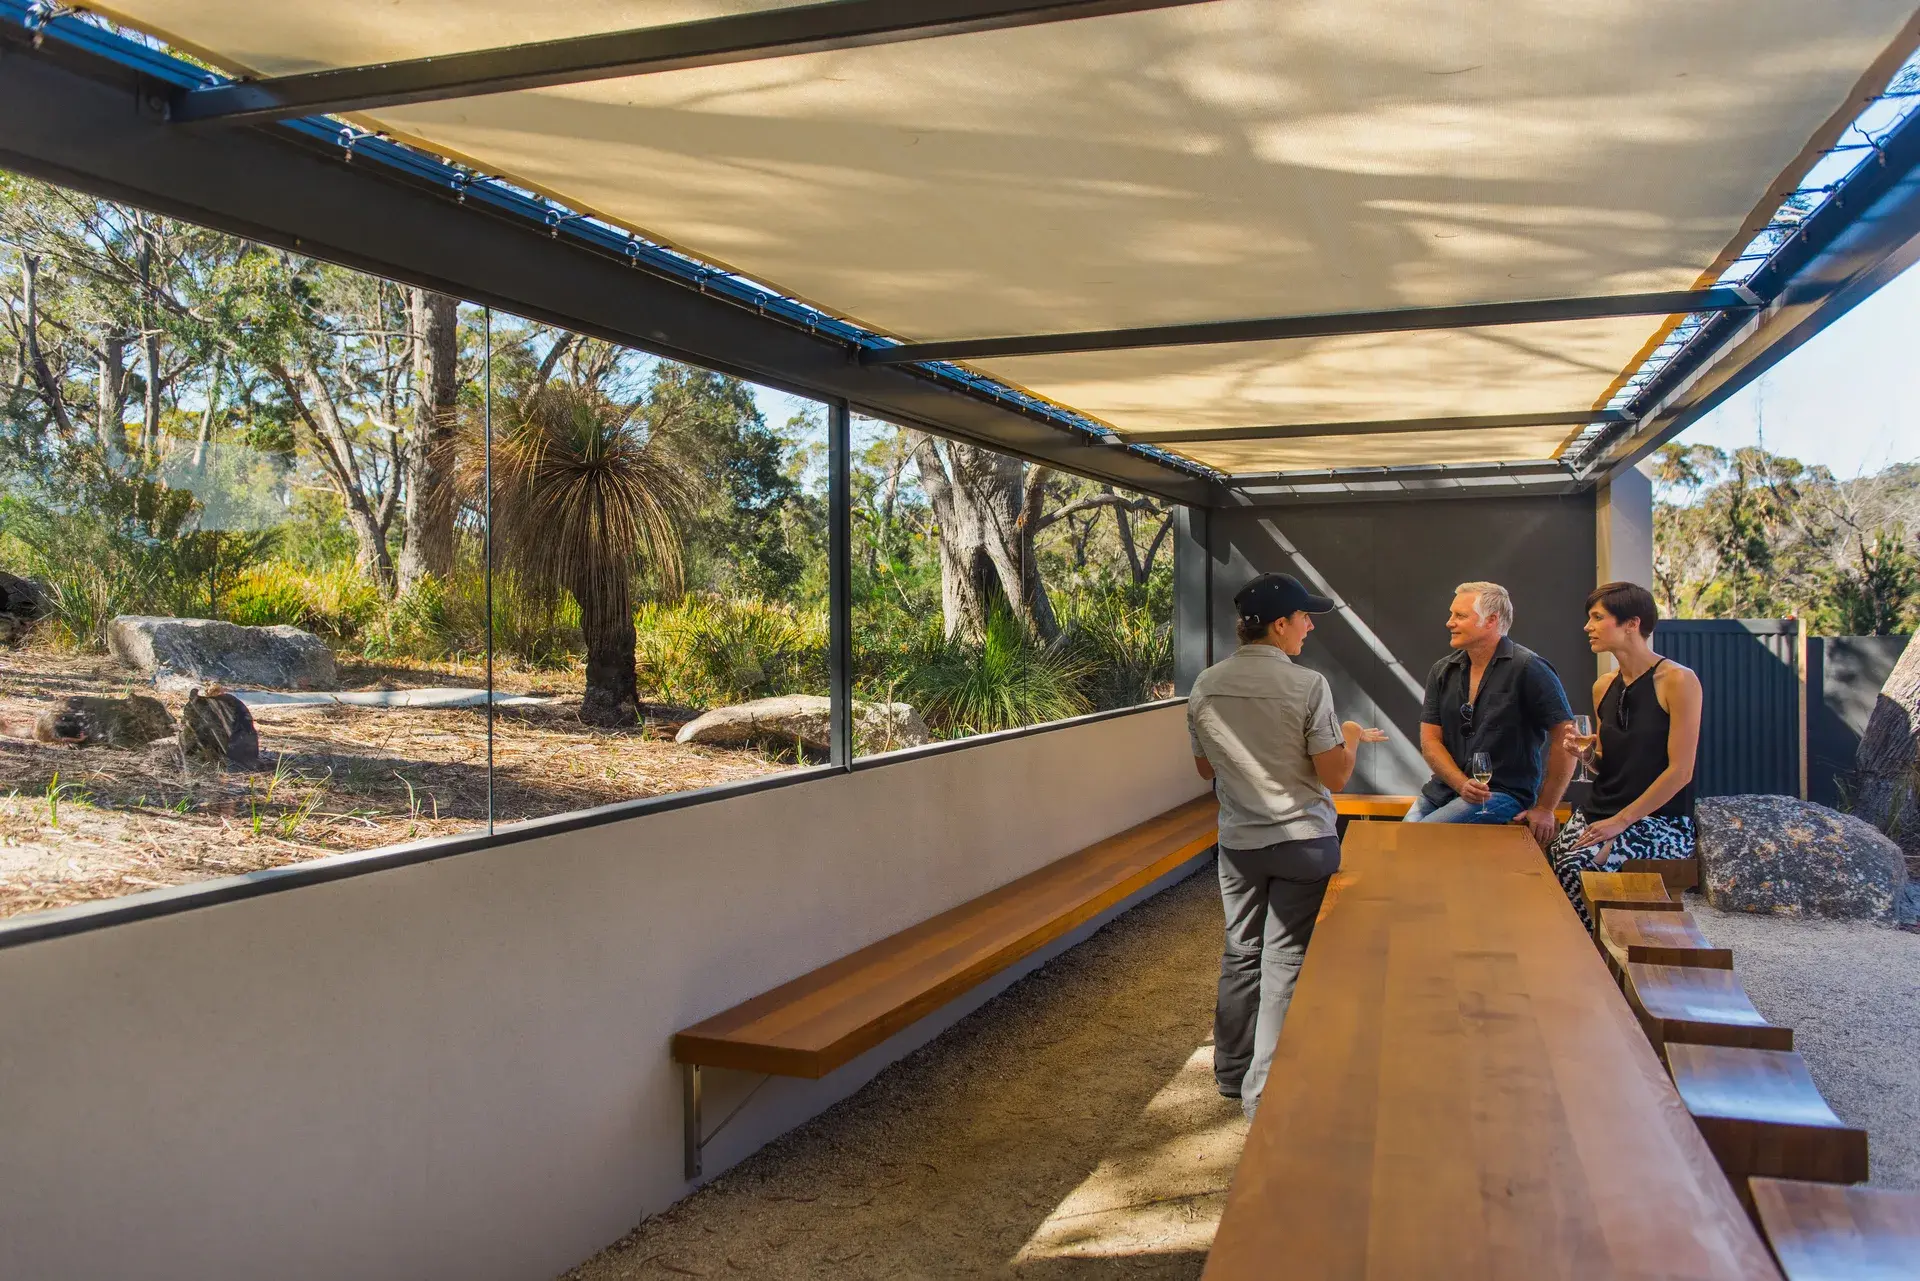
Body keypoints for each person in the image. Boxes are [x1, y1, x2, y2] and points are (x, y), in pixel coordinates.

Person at [1187, 572, 1387, 1118]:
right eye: (1304, 620)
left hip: (1239, 845)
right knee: (1284, 962)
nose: (1308, 631)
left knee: (1240, 953)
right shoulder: (1307, 685)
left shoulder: (1205, 683)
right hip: (1302, 843)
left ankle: (1230, 1073)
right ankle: (1263, 1093)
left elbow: (1206, 765)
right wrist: (1348, 735)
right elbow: (1335, 778)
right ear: (1279, 625)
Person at [1545, 582, 1701, 927]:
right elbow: (1606, 765)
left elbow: (1681, 772)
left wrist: (1621, 821)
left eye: (1598, 618)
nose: (1588, 627)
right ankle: (1587, 952)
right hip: (1601, 813)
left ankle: (1596, 959)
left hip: (1660, 822)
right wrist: (1584, 756)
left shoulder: (1679, 680)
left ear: (1632, 623)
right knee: (1548, 861)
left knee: (1577, 866)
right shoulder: (1604, 686)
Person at [1406, 581, 1576, 847]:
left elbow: (1567, 740)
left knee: (1419, 842)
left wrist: (1545, 808)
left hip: (1503, 794)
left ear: (1491, 621)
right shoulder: (1442, 670)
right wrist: (1461, 783)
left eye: (1460, 616)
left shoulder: (1530, 668)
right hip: (1444, 789)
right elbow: (1430, 741)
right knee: (1398, 843)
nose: (1449, 623)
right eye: (1451, 614)